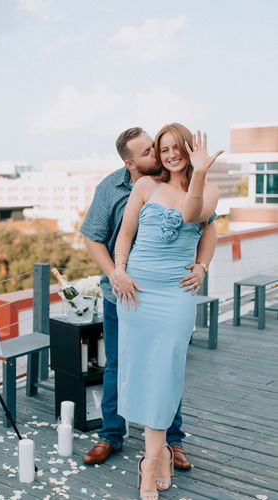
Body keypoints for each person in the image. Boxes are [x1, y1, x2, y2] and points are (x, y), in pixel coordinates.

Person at [80, 127, 217, 471]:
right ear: (129, 163)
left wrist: (201, 266)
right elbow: (93, 238)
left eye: (159, 149)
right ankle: (111, 435)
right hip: (122, 289)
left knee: (166, 364)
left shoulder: (179, 183)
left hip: (170, 289)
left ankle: (172, 440)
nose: (158, 157)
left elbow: (206, 223)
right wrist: (116, 272)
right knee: (119, 364)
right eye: (149, 153)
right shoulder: (111, 188)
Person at [113, 123, 221, 499]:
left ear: (190, 149)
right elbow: (125, 234)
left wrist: (202, 171)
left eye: (178, 147)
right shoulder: (146, 186)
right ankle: (156, 458)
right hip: (137, 294)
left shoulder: (209, 191)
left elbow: (194, 217)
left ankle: (148, 464)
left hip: (175, 296)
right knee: (139, 373)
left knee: (165, 374)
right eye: (164, 149)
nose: (171, 154)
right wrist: (119, 270)